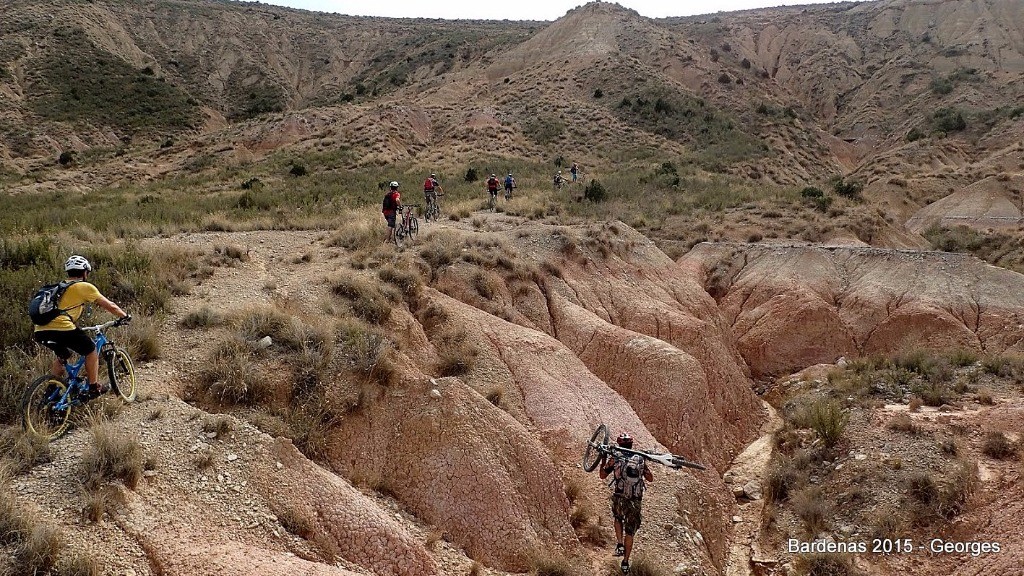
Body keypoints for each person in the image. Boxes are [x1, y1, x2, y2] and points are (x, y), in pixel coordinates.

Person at [33, 255, 130, 400]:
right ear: (85, 272)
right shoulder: (84, 286)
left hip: (40, 330)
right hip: (62, 327)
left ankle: (51, 391)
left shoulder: (60, 287)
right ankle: (93, 387)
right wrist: (124, 316)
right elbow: (110, 306)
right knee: (91, 350)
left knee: (63, 356)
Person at [598, 433, 653, 574]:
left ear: (619, 444)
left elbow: (602, 475)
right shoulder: (640, 458)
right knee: (630, 532)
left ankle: (619, 544)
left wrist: (603, 459)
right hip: (635, 500)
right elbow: (650, 478)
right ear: (631, 445)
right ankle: (625, 562)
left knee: (617, 518)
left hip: (619, 496)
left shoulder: (615, 458)